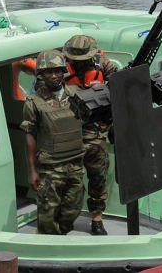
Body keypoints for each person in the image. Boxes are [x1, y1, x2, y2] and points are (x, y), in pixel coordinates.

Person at [19, 51, 85, 235]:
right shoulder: (33, 103)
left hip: (75, 163)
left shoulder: (77, 93)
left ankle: (61, 234)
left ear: (63, 71)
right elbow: (30, 136)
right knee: (47, 216)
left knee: (73, 208)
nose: (54, 75)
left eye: (57, 71)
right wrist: (33, 171)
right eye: (48, 72)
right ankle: (51, 246)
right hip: (50, 167)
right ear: (41, 74)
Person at [62, 35, 117, 236]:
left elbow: (119, 88)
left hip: (95, 132)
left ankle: (96, 218)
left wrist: (102, 90)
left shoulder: (103, 65)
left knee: (98, 177)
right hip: (67, 132)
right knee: (68, 179)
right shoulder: (58, 66)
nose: (78, 62)